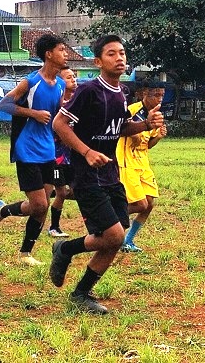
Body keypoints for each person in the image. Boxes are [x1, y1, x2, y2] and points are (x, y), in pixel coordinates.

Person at [50, 35, 164, 315]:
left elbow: (120, 127)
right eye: (112, 54)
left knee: (116, 235)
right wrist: (87, 152)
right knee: (113, 236)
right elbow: (60, 124)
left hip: (111, 173)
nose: (120, 58)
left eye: (122, 53)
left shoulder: (121, 93)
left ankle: (80, 293)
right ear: (98, 61)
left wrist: (145, 124)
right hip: (86, 174)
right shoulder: (89, 90)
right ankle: (65, 250)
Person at [0, 33, 67, 266]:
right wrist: (33, 114)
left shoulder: (60, 84)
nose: (65, 54)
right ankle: (2, 214)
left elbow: (59, 114)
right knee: (40, 204)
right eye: (61, 50)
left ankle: (24, 253)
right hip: (27, 148)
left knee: (42, 206)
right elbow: (3, 104)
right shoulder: (31, 82)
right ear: (49, 54)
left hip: (48, 150)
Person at [116, 79, 167, 253]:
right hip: (127, 161)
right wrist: (135, 132)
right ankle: (111, 224)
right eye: (156, 95)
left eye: (162, 95)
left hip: (142, 161)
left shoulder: (157, 114)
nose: (160, 99)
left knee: (149, 204)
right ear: (145, 93)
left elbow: (147, 144)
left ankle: (128, 241)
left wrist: (158, 137)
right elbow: (121, 130)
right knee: (139, 204)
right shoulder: (132, 110)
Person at [48, 67, 78, 238]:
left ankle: (47, 193)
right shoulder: (54, 105)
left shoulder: (78, 103)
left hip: (74, 156)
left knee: (75, 191)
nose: (73, 79)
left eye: (74, 76)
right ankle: (54, 227)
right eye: (69, 77)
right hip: (57, 156)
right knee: (62, 192)